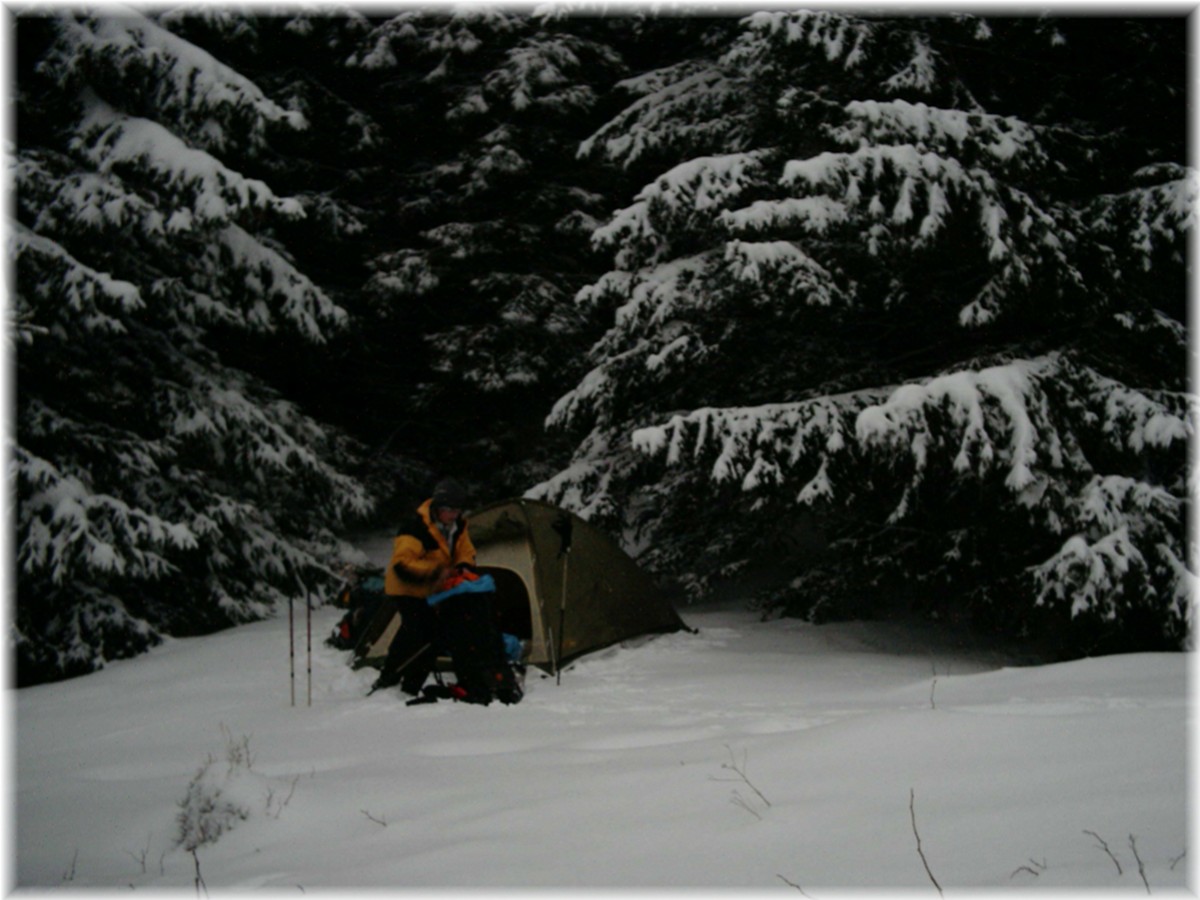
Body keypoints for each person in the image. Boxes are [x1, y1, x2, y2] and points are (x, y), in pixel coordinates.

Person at [371, 478, 476, 698]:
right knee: (427, 634)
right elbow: (403, 565)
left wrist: (463, 567)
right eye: (450, 510)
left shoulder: (458, 526)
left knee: (411, 633)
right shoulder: (415, 527)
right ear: (438, 508)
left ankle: (391, 674)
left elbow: (465, 550)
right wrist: (437, 572)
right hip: (407, 588)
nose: (454, 515)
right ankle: (409, 684)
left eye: (458, 510)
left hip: (433, 589)